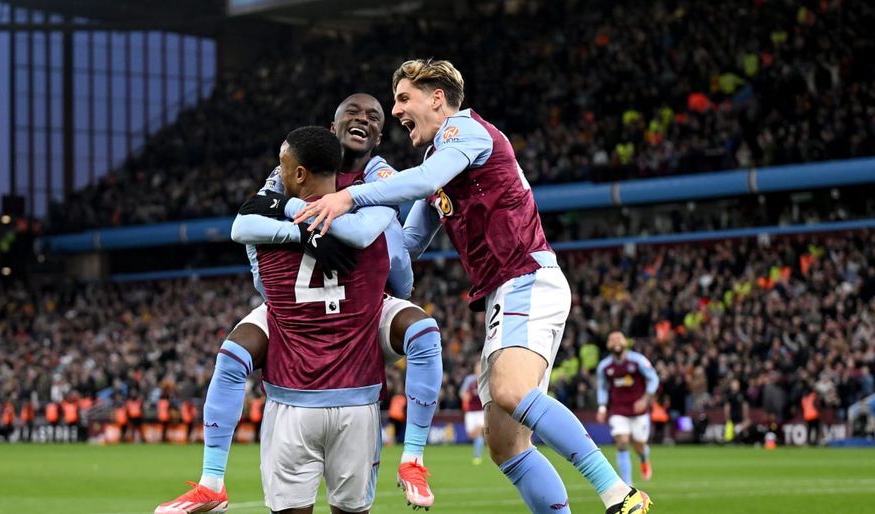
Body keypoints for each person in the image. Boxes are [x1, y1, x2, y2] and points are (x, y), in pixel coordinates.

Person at [295, 59, 651, 514]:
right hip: (503, 293)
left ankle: (619, 493)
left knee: (510, 390)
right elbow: (406, 245)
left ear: (436, 99)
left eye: (404, 99)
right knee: (506, 444)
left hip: (527, 277)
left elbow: (420, 182)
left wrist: (349, 195)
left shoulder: (466, 133)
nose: (397, 109)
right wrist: (353, 239)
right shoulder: (434, 163)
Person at [157, 94, 442, 514]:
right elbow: (246, 219)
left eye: (373, 117)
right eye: (353, 113)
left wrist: (319, 223)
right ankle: (211, 482)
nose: (362, 119)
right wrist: (306, 228)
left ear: (380, 137)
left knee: (421, 329)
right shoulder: (287, 171)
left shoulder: (380, 180)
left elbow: (387, 245)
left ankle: (414, 457)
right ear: (332, 127)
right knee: (234, 353)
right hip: (291, 305)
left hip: (368, 301)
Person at [256, 126, 391, 514]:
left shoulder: (267, 234)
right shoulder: (372, 230)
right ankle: (414, 451)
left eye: (282, 167)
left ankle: (210, 477)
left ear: (299, 174)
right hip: (357, 396)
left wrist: (286, 212)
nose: (278, 176)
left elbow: (260, 285)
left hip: (291, 396)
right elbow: (399, 278)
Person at [596, 332, 660, 485]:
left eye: (619, 338)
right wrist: (602, 407)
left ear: (626, 342)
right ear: (608, 345)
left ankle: (644, 458)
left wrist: (645, 399)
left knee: (639, 447)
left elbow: (653, 379)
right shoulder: (604, 367)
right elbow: (602, 388)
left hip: (639, 411)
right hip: (618, 410)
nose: (616, 341)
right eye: (612, 339)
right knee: (622, 443)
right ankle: (628, 485)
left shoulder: (638, 360)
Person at [460, 361, 486, 465]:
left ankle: (477, 456)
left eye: (480, 367)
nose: (478, 369)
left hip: (481, 411)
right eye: (477, 367)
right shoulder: (469, 379)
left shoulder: (486, 379)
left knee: (478, 432)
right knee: (471, 434)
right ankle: (479, 446)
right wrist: (464, 396)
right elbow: (462, 392)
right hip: (470, 411)